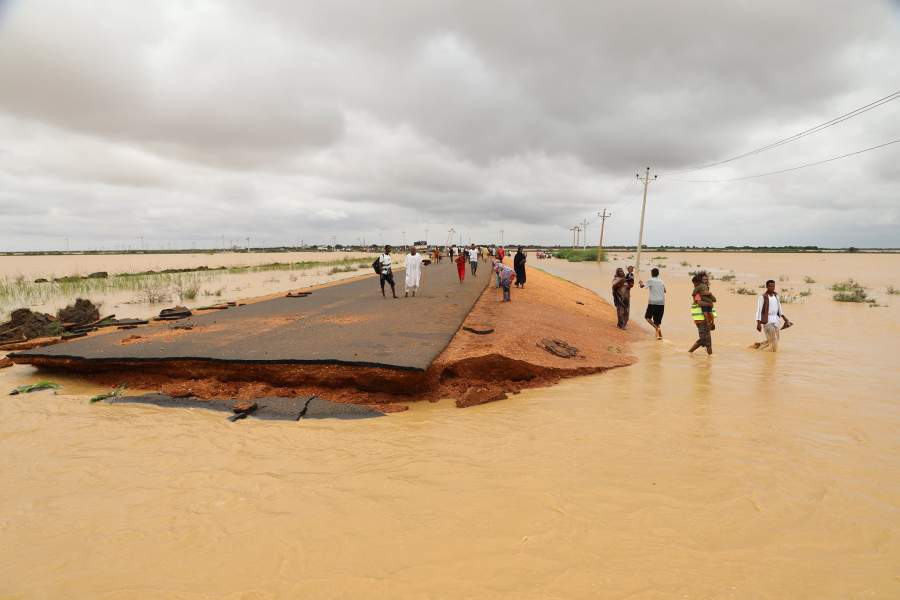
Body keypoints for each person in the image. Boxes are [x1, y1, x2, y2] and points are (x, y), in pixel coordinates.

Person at [755, 279, 793, 351]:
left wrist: (785, 319)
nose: (772, 288)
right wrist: (758, 323)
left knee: (776, 339)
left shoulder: (776, 296)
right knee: (773, 340)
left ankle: (758, 346)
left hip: (776, 320)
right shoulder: (763, 297)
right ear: (766, 286)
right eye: (770, 286)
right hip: (767, 321)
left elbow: (779, 308)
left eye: (773, 286)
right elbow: (759, 310)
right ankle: (772, 356)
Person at [688, 273, 714, 354]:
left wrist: (712, 321)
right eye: (704, 280)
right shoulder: (698, 292)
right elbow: (698, 303)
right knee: (703, 339)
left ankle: (710, 359)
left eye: (707, 280)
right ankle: (689, 352)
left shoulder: (706, 292)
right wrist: (710, 303)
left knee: (708, 341)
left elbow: (711, 308)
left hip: (707, 319)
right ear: (700, 281)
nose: (706, 281)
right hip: (700, 319)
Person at [639, 267, 665, 339]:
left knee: (647, 317)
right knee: (657, 321)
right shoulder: (661, 281)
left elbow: (642, 286)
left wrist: (641, 283)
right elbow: (665, 290)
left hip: (653, 302)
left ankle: (656, 328)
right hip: (661, 303)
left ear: (651, 274)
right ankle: (660, 336)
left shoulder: (650, 280)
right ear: (658, 274)